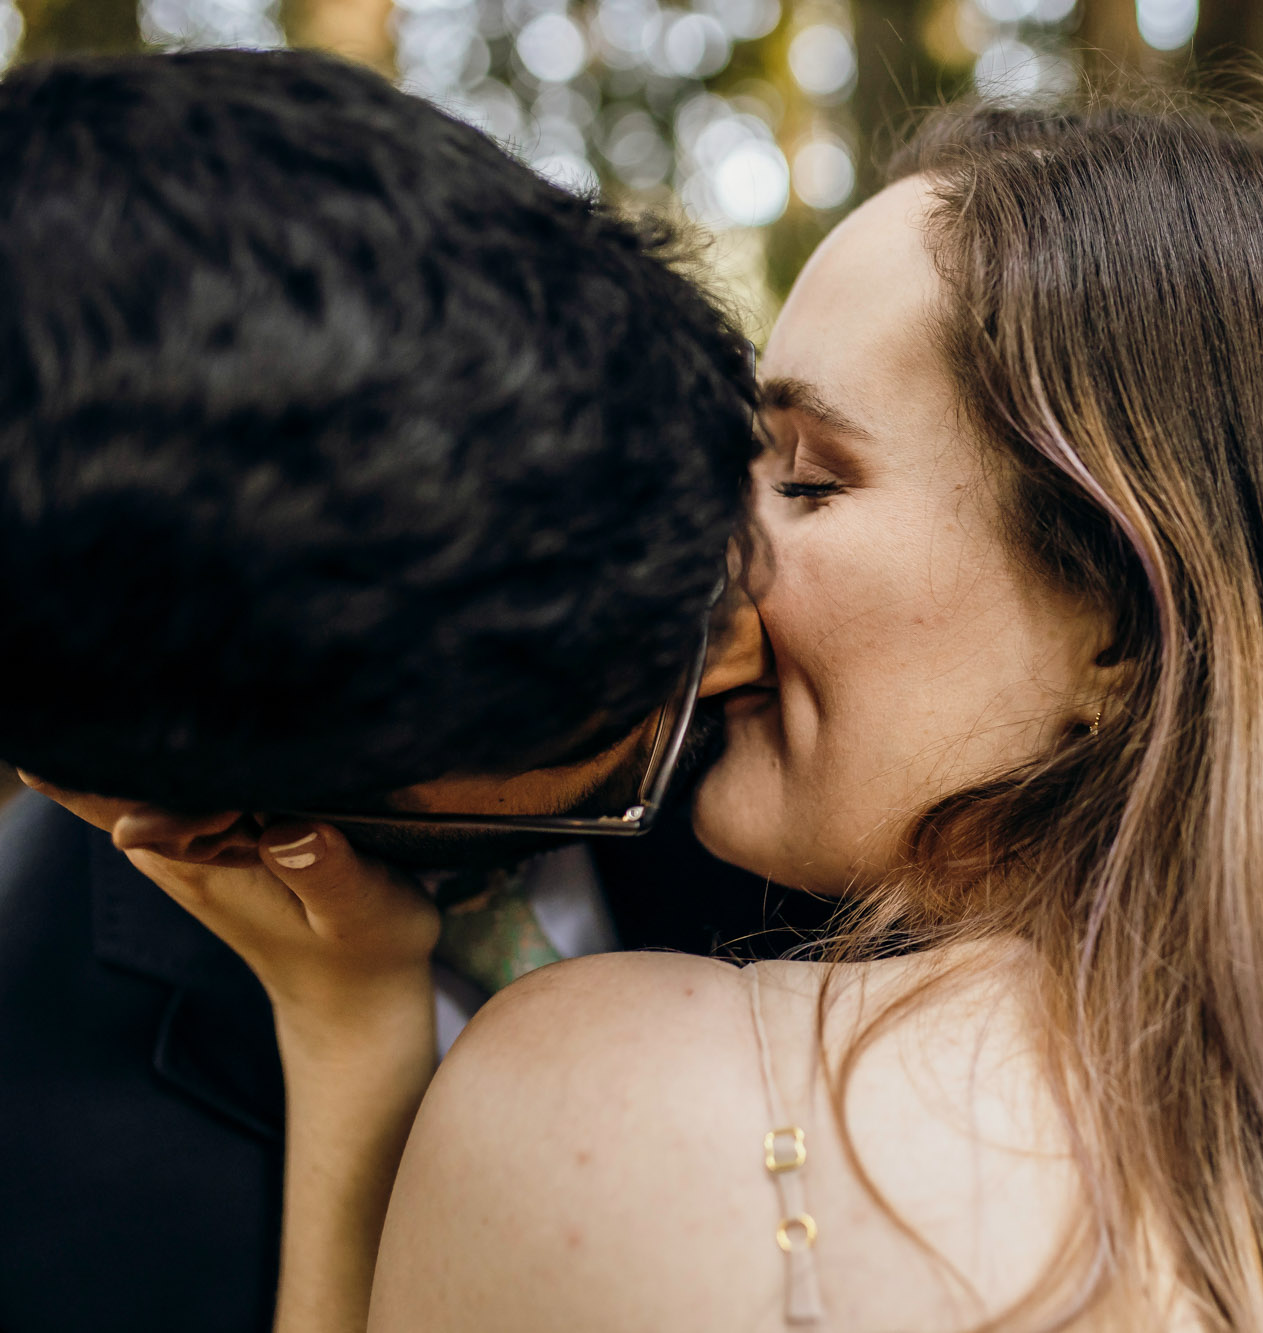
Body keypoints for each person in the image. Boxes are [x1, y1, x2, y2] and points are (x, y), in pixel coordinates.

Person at [55, 99, 1263, 1331]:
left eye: (809, 478)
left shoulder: (604, 1088)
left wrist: (357, 1048)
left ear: (1129, 634)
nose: (710, 556)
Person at [0, 49, 830, 1333]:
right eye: (630, 683)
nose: (745, 651)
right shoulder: (36, 1143)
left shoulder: (849, 768)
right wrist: (356, 1059)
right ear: (217, 826)